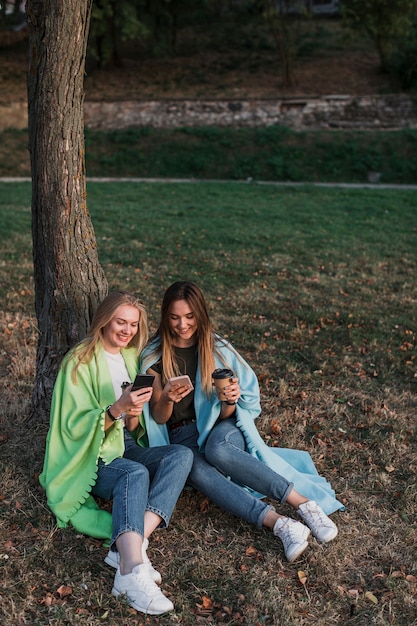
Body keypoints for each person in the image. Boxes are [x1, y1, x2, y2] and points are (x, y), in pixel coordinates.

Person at [141, 281, 344, 563]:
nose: (183, 324)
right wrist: (168, 399)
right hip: (182, 437)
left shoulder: (217, 348)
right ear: (164, 316)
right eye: (174, 317)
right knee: (197, 472)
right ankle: (282, 525)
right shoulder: (153, 357)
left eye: (189, 316)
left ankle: (305, 505)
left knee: (218, 450)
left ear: (200, 314)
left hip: (222, 430)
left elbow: (230, 413)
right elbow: (158, 418)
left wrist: (229, 401)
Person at [39, 291, 193, 615]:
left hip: (124, 444)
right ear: (105, 320)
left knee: (180, 456)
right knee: (133, 474)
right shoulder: (78, 362)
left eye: (134, 325)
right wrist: (116, 409)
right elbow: (72, 426)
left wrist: (135, 409)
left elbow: (134, 424)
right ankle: (130, 571)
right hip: (93, 455)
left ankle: (128, 546)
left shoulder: (130, 358)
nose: (127, 330)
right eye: (121, 322)